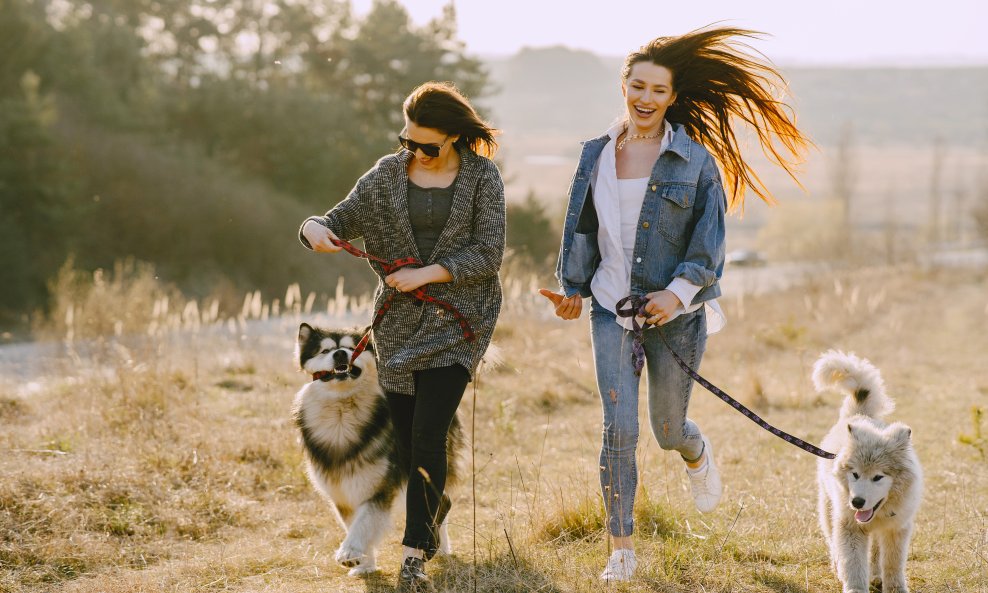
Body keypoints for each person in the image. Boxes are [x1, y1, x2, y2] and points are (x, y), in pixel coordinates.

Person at [539, 27, 809, 583]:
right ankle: (621, 549)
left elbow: (710, 248)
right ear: (623, 86)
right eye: (638, 86)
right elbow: (582, 227)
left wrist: (676, 293)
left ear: (672, 97)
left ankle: (694, 449)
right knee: (619, 430)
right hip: (611, 308)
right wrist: (572, 290)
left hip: (676, 317)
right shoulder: (594, 154)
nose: (646, 98)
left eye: (658, 90)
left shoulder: (695, 161)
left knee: (665, 428)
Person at [300, 81, 505, 592]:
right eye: (406, 140)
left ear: (453, 137)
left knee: (429, 434)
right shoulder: (387, 174)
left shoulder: (483, 177)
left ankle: (414, 555)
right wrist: (313, 229)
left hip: (461, 320)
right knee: (409, 445)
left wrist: (426, 274)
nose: (413, 151)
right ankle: (433, 508)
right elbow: (337, 218)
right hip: (397, 325)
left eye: (425, 145)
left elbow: (488, 252)